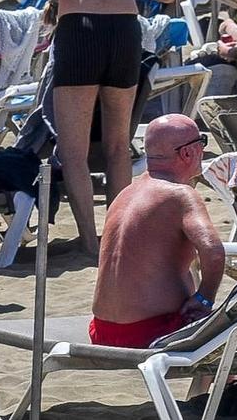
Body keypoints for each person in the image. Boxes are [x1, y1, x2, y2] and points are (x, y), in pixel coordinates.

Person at [8, 0, 177, 255]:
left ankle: (89, 243)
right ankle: (120, 238)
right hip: (124, 32)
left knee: (73, 151)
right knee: (118, 145)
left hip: (79, 30)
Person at [88, 114, 225, 346]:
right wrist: (204, 298)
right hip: (153, 332)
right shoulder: (179, 195)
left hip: (101, 331)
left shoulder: (126, 193)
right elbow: (214, 252)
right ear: (187, 152)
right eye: (201, 142)